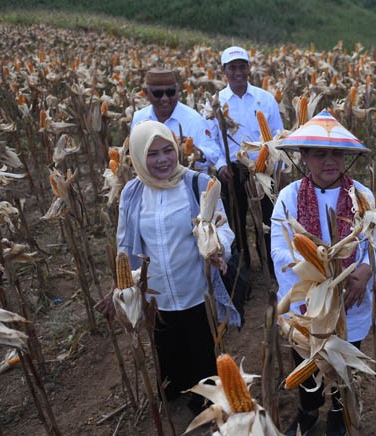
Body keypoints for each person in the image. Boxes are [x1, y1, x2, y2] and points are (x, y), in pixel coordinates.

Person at [271, 111, 376, 436]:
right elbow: (279, 248)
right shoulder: (289, 197)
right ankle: (308, 410)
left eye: (336, 153)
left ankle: (338, 411)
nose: (330, 161)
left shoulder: (361, 195)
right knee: (306, 357)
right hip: (309, 299)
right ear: (304, 156)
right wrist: (316, 274)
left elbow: (373, 242)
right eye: (320, 154)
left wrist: (364, 270)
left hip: (350, 298)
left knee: (345, 357)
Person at [117, 120, 238, 414]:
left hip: (195, 287)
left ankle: (205, 395)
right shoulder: (132, 193)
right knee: (168, 351)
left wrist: (218, 248)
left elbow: (221, 228)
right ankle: (177, 387)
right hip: (156, 293)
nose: (162, 160)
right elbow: (124, 241)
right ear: (138, 157)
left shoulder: (198, 184)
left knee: (201, 348)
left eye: (168, 150)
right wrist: (123, 283)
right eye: (152, 154)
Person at [210, 46, 284, 270]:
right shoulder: (216, 102)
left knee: (269, 219)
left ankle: (270, 265)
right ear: (224, 70)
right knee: (235, 220)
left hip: (264, 169)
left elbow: (278, 134)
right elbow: (211, 139)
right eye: (232, 67)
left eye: (242, 67)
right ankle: (243, 267)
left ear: (249, 69)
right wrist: (220, 165)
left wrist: (278, 169)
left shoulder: (265, 99)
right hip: (232, 171)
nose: (238, 72)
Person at [131, 68, 221, 172]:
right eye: (158, 93)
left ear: (177, 90)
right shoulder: (139, 118)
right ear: (146, 93)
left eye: (170, 92)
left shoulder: (194, 119)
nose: (165, 98)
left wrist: (195, 151)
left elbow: (214, 154)